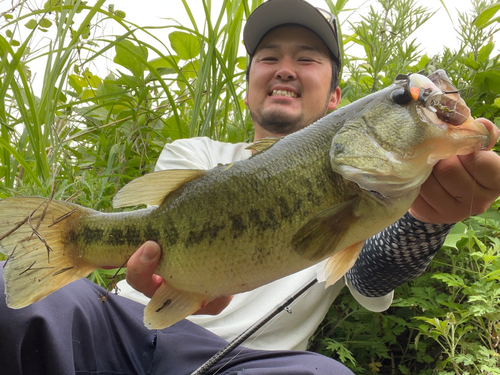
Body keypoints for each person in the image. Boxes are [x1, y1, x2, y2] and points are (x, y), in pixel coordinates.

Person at [0, 0, 499, 374]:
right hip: (120, 329)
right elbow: (151, 245)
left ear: (337, 98)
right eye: (269, 57)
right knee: (10, 293)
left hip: (248, 363)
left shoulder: (382, 189)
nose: (285, 68)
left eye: (307, 58)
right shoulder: (194, 154)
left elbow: (368, 278)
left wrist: (431, 220)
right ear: (249, 84)